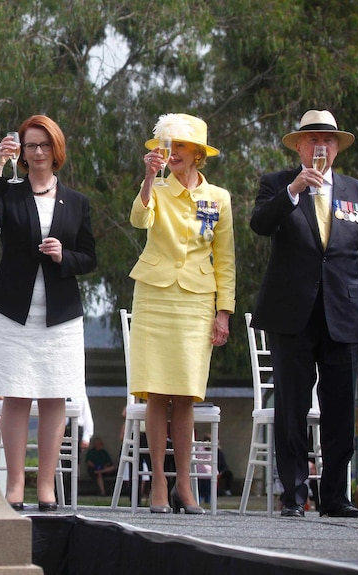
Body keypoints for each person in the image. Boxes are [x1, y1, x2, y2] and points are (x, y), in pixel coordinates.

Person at [250, 110, 358, 519]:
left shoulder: (356, 192)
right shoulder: (277, 184)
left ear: (337, 148)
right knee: (291, 406)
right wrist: (293, 190)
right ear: (298, 146)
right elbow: (259, 224)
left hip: (343, 312)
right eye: (312, 140)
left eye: (328, 140)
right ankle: (293, 497)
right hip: (292, 312)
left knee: (340, 406)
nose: (320, 147)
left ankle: (335, 497)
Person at [0, 115, 97, 512]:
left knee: (52, 396)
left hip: (60, 314)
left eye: (45, 144)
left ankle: (46, 487)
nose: (38, 152)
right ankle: (14, 485)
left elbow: (89, 258)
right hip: (13, 310)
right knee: (15, 394)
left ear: (56, 149)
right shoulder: (9, 192)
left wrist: (65, 256)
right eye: (31, 145)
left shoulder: (77, 201)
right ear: (22, 152)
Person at [130, 113, 235, 514]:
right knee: (156, 391)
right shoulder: (155, 187)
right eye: (167, 146)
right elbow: (139, 220)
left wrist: (223, 311)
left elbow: (225, 259)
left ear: (197, 154)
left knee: (187, 395)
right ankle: (158, 480)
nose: (172, 152)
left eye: (181, 146)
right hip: (154, 297)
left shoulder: (219, 198)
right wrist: (147, 180)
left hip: (196, 302)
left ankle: (185, 486)